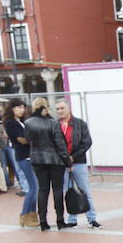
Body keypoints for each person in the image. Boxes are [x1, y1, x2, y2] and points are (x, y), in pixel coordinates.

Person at [25, 98, 73, 231]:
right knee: (58, 190)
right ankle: (60, 220)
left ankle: (43, 221)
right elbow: (61, 145)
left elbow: (28, 140)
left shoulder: (28, 123)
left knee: (43, 189)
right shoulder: (53, 123)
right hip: (55, 160)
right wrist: (68, 162)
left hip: (38, 160)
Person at [55, 100, 101, 229]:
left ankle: (92, 219)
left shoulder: (80, 124)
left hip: (78, 162)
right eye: (57, 109)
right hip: (62, 164)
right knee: (67, 192)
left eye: (62, 108)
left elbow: (87, 142)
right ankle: (72, 219)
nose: (59, 111)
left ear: (68, 108)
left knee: (85, 190)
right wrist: (64, 159)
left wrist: (72, 157)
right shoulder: (54, 125)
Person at [4, 98, 39, 227]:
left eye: (23, 107)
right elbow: (22, 139)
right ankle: (25, 214)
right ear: (12, 108)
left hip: (31, 156)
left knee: (35, 187)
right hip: (23, 157)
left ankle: (31, 214)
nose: (22, 110)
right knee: (33, 187)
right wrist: (34, 139)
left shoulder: (23, 121)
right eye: (19, 107)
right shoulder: (10, 123)